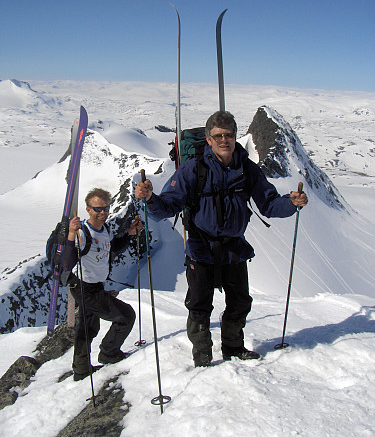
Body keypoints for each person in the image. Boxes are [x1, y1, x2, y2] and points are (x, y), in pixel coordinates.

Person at [135, 111, 308, 367]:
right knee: (199, 306)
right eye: (218, 136)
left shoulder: (247, 169)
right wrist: (150, 199)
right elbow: (167, 206)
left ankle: (234, 348)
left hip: (234, 248)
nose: (223, 140)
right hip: (200, 247)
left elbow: (269, 204)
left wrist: (291, 203)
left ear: (235, 137)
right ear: (208, 139)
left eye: (228, 135)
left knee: (240, 302)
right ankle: (202, 355)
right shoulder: (193, 169)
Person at [62, 187, 142, 381]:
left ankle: (81, 369)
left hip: (94, 286)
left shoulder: (103, 229)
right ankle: (108, 353)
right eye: (98, 209)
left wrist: (130, 233)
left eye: (106, 208)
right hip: (84, 287)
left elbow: (110, 249)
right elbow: (66, 262)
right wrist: (72, 234)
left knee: (88, 326)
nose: (103, 212)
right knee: (125, 315)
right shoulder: (83, 232)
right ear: (88, 209)